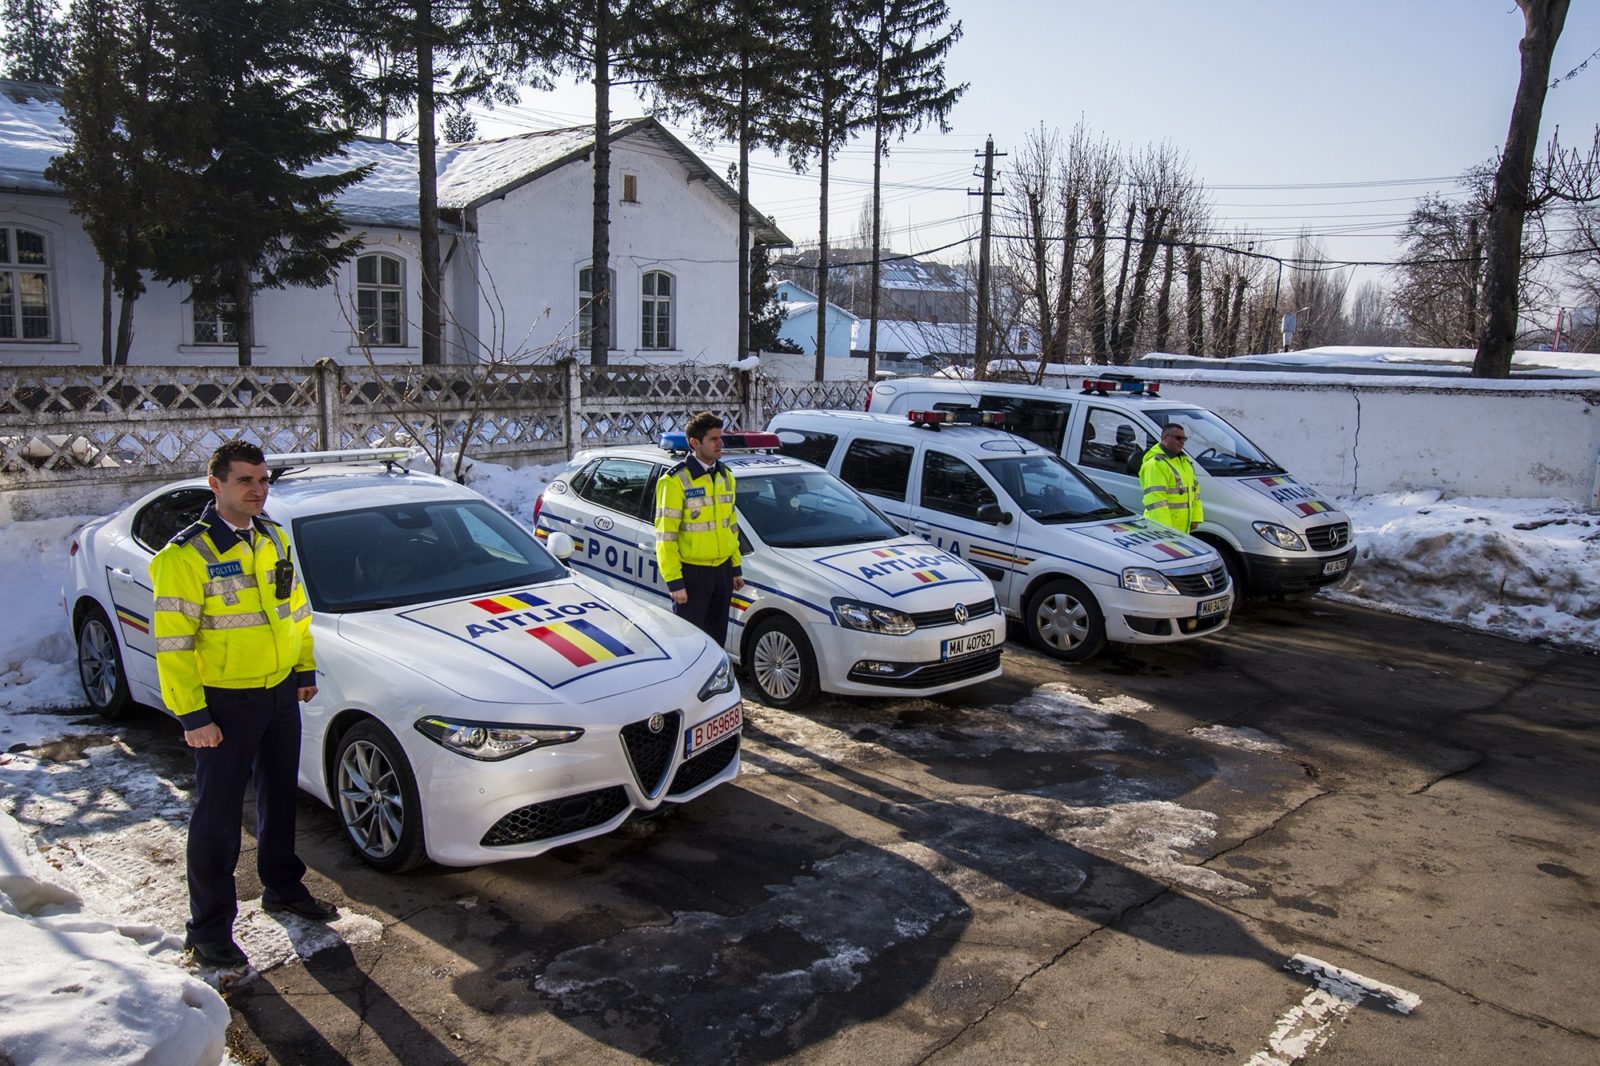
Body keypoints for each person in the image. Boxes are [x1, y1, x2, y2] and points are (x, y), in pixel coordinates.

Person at [150, 440, 333, 969]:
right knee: (219, 816)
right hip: (224, 704)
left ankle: (283, 887)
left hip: (278, 692)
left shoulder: (273, 538)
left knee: (280, 797)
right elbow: (173, 645)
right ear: (216, 485)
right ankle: (208, 929)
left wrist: (302, 668)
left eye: (263, 480)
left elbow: (295, 610)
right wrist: (193, 716)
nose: (257, 490)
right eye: (245, 481)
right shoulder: (184, 557)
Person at [654, 411, 745, 647]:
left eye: (720, 437)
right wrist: (675, 582)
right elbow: (666, 536)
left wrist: (735, 568)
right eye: (713, 439)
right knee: (689, 643)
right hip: (692, 576)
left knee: (716, 642)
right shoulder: (674, 481)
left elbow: (730, 525)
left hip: (722, 573)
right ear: (694, 443)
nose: (720, 444)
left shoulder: (726, 476)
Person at [1140, 423, 1204, 533]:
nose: (1182, 442)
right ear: (1165, 437)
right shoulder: (1155, 464)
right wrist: (1164, 530)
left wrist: (1195, 518)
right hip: (1161, 530)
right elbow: (1156, 501)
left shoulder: (1185, 462)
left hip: (1181, 529)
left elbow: (1195, 492)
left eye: (1184, 438)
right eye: (1178, 438)